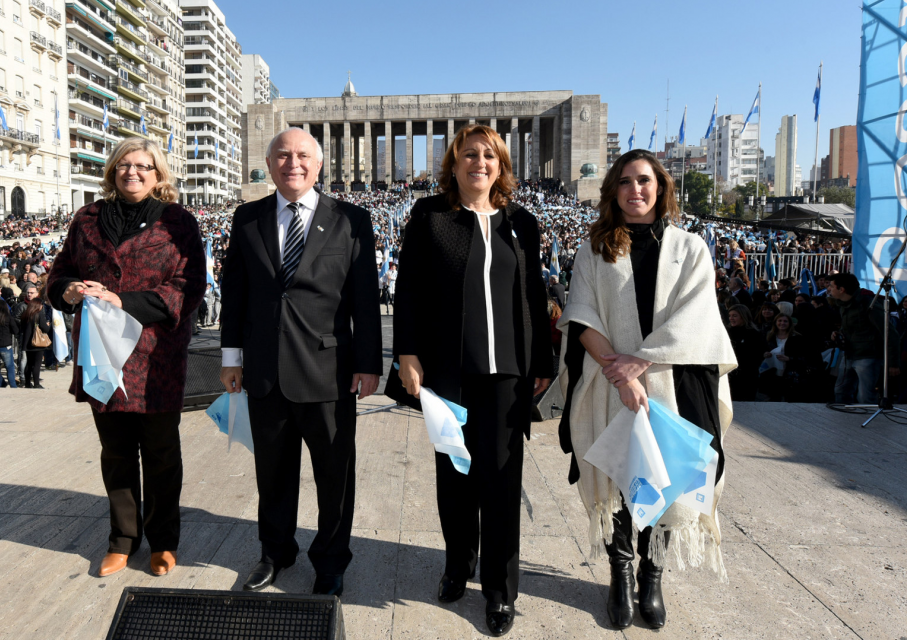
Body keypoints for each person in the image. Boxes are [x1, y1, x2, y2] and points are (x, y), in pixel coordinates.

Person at [557, 149, 736, 631]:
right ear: (613, 190)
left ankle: (651, 573)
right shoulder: (594, 248)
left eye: (643, 181)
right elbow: (581, 316)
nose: (634, 190)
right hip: (609, 381)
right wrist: (621, 374)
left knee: (665, 477)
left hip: (672, 383)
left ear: (660, 187)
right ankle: (620, 573)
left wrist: (639, 363)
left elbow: (697, 317)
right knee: (617, 477)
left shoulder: (690, 247)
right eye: (625, 181)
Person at [392, 124, 551, 637]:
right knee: (455, 475)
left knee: (501, 480)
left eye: (489, 155)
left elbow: (534, 293)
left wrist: (543, 361)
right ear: (454, 164)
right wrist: (407, 353)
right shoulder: (431, 216)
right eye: (469, 154)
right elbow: (409, 288)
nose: (479, 162)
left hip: (507, 372)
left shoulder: (521, 222)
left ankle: (500, 589)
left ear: (501, 166)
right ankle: (458, 563)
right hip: (449, 370)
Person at [218, 127, 382, 599]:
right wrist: (231, 357)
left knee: (334, 477)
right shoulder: (247, 217)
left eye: (303, 155)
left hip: (329, 372)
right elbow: (235, 293)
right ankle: (275, 553)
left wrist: (369, 362)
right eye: (283, 155)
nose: (293, 163)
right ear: (269, 165)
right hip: (264, 371)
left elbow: (365, 298)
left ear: (319, 164)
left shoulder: (351, 219)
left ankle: (330, 561)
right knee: (272, 475)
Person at [45, 136, 207, 578]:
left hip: (155, 359)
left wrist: (125, 301)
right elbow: (60, 274)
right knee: (115, 452)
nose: (132, 172)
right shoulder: (87, 218)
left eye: (142, 166)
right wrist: (70, 290)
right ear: (112, 170)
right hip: (100, 354)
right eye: (123, 165)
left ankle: (163, 541)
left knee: (161, 454)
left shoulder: (178, 221)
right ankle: (122, 539)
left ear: (158, 175)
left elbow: (189, 286)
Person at [827, 272, 899, 404]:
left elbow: (889, 333)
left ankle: (868, 417)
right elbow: (852, 326)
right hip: (849, 354)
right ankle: (842, 416)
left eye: (831, 286)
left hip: (868, 356)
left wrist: (893, 363)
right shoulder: (843, 304)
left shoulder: (869, 304)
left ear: (841, 289)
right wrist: (839, 333)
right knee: (841, 390)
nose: (828, 289)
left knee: (865, 396)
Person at [759, 313, 815, 402]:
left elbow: (805, 357)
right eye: (780, 321)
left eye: (785, 321)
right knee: (773, 398)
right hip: (772, 373)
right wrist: (765, 354)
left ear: (789, 323)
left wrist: (789, 359)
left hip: (790, 374)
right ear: (775, 322)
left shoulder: (797, 338)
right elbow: (761, 350)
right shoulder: (769, 336)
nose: (782, 323)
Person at [726, 304, 766, 401]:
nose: (731, 318)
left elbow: (758, 355)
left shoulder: (754, 334)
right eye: (730, 315)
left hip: (747, 376)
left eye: (735, 316)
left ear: (743, 316)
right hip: (729, 375)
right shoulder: (726, 332)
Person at [18, 286, 52, 389]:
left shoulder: (26, 314)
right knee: (37, 364)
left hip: (27, 342)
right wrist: (48, 324)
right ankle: (36, 383)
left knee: (29, 363)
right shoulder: (39, 314)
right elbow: (45, 328)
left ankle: (28, 383)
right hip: (37, 343)